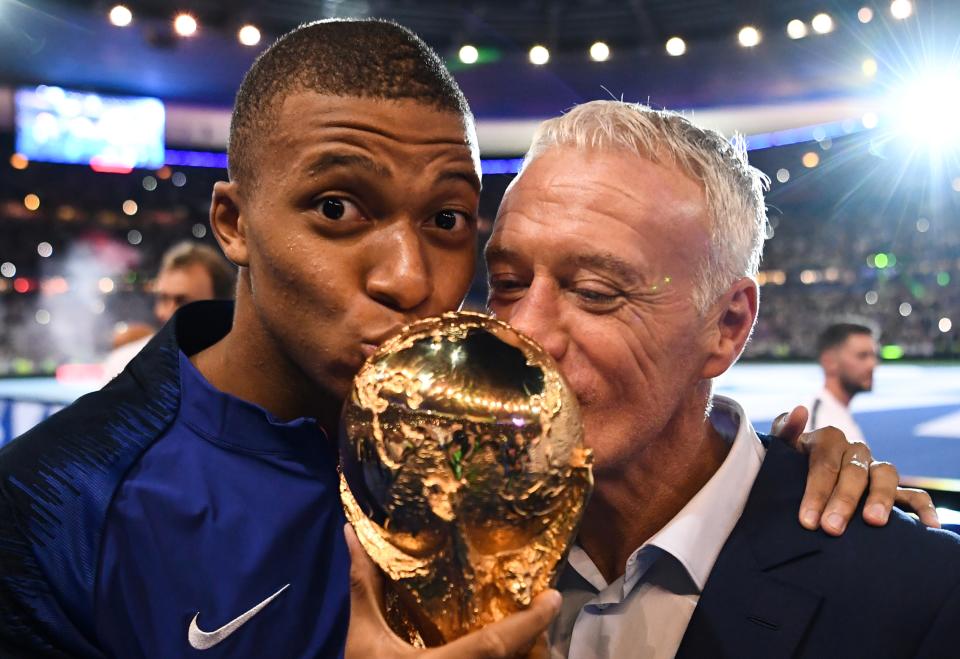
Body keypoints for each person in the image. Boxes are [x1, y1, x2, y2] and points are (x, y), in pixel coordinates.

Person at [0, 20, 938, 659]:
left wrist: (804, 478)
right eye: (337, 208)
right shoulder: (60, 506)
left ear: (730, 324)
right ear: (233, 223)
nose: (410, 278)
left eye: (450, 221)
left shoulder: (483, 454)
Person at [466, 101, 956, 657]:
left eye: (596, 292)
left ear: (727, 324)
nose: (520, 330)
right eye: (507, 283)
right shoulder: (445, 535)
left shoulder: (919, 598)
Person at [101, 241, 237, 381]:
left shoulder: (242, 372)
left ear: (219, 306)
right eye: (163, 298)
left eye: (182, 301)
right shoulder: (124, 365)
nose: (165, 313)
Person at [805, 322, 878, 445]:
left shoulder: (836, 414)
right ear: (829, 362)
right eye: (862, 356)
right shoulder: (819, 424)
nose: (872, 365)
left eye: (873, 356)